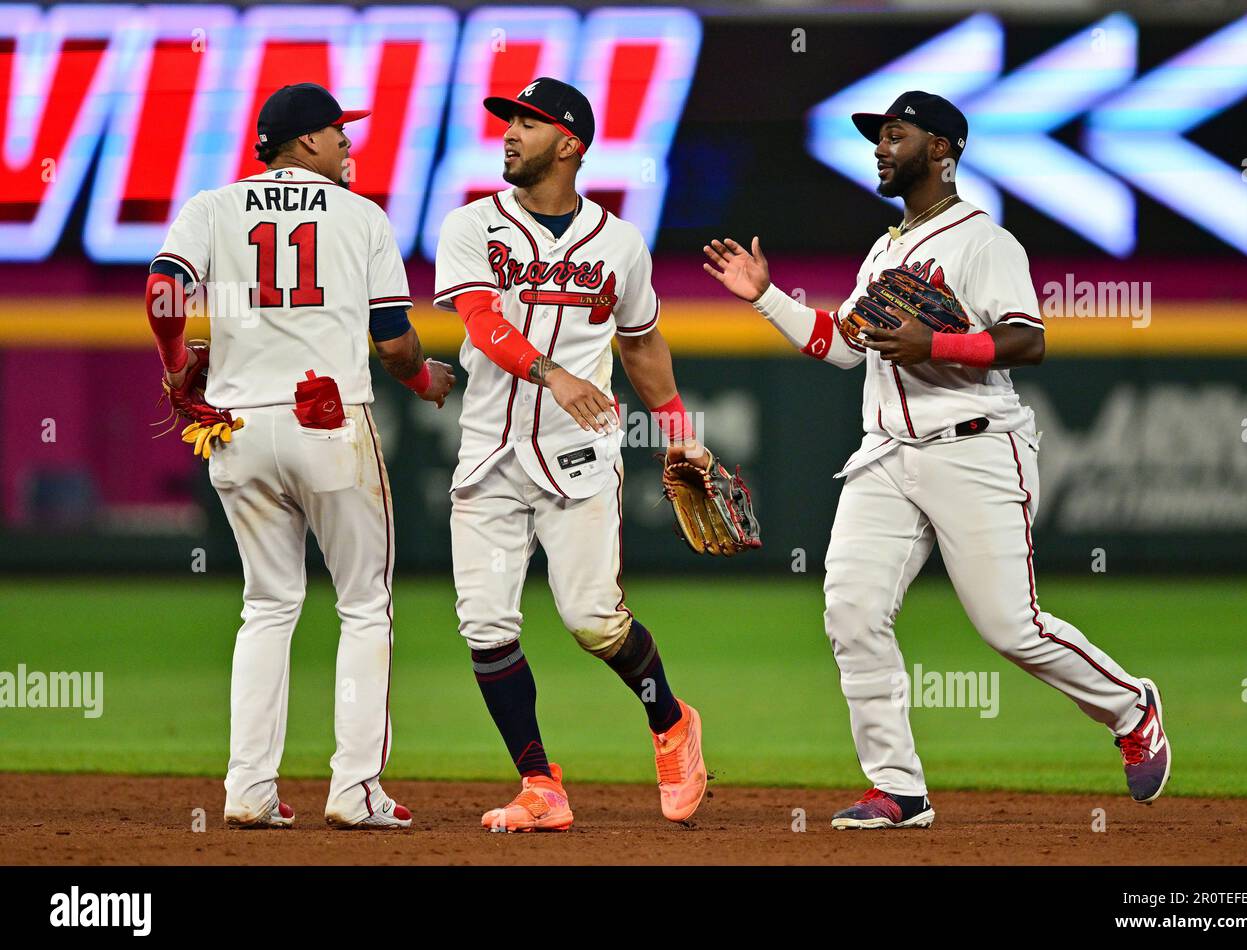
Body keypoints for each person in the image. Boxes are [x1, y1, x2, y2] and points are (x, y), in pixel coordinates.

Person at [703, 91, 1170, 830]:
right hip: (887, 454)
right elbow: (841, 347)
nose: (881, 147)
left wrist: (937, 344)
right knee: (851, 611)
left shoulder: (985, 241)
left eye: (896, 134)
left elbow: (1029, 340)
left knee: (1009, 626)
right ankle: (899, 788)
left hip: (977, 446)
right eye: (877, 137)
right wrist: (765, 298)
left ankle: (1131, 706)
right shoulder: (886, 249)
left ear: (943, 149)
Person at [146, 82, 455, 830]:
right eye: (338, 133)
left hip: (238, 425)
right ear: (307, 143)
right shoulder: (362, 216)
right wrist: (421, 375)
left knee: (267, 605)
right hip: (327, 422)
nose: (348, 144)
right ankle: (355, 791)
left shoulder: (211, 206)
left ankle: (247, 791)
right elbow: (392, 339)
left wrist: (173, 364)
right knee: (365, 605)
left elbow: (162, 294)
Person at [433, 77, 708, 831]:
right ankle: (539, 785)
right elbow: (481, 321)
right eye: (508, 120)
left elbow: (643, 342)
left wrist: (680, 429)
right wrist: (551, 372)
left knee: (593, 621)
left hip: (579, 456)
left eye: (528, 121)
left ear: (570, 143)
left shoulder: (619, 242)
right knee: (486, 625)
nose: (510, 132)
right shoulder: (470, 225)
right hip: (490, 453)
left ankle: (671, 724)